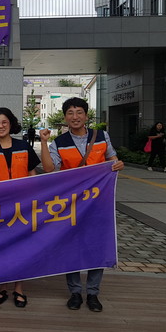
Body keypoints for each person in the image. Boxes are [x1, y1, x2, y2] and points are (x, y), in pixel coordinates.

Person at [39, 97, 124, 313]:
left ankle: (93, 293)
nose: (75, 117)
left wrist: (117, 164)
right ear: (65, 117)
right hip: (72, 204)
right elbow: (49, 169)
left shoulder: (102, 136)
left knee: (97, 245)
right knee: (72, 246)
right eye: (70, 113)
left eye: (79, 112)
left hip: (98, 203)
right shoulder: (59, 142)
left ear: (86, 116)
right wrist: (44, 143)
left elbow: (112, 159)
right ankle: (75, 292)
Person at [0, 107, 40, 309]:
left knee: (20, 247)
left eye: (4, 122)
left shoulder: (23, 146)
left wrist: (34, 200)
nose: (0, 126)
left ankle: (19, 288)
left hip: (21, 206)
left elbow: (32, 174)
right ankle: (2, 287)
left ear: (11, 124)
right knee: (1, 248)